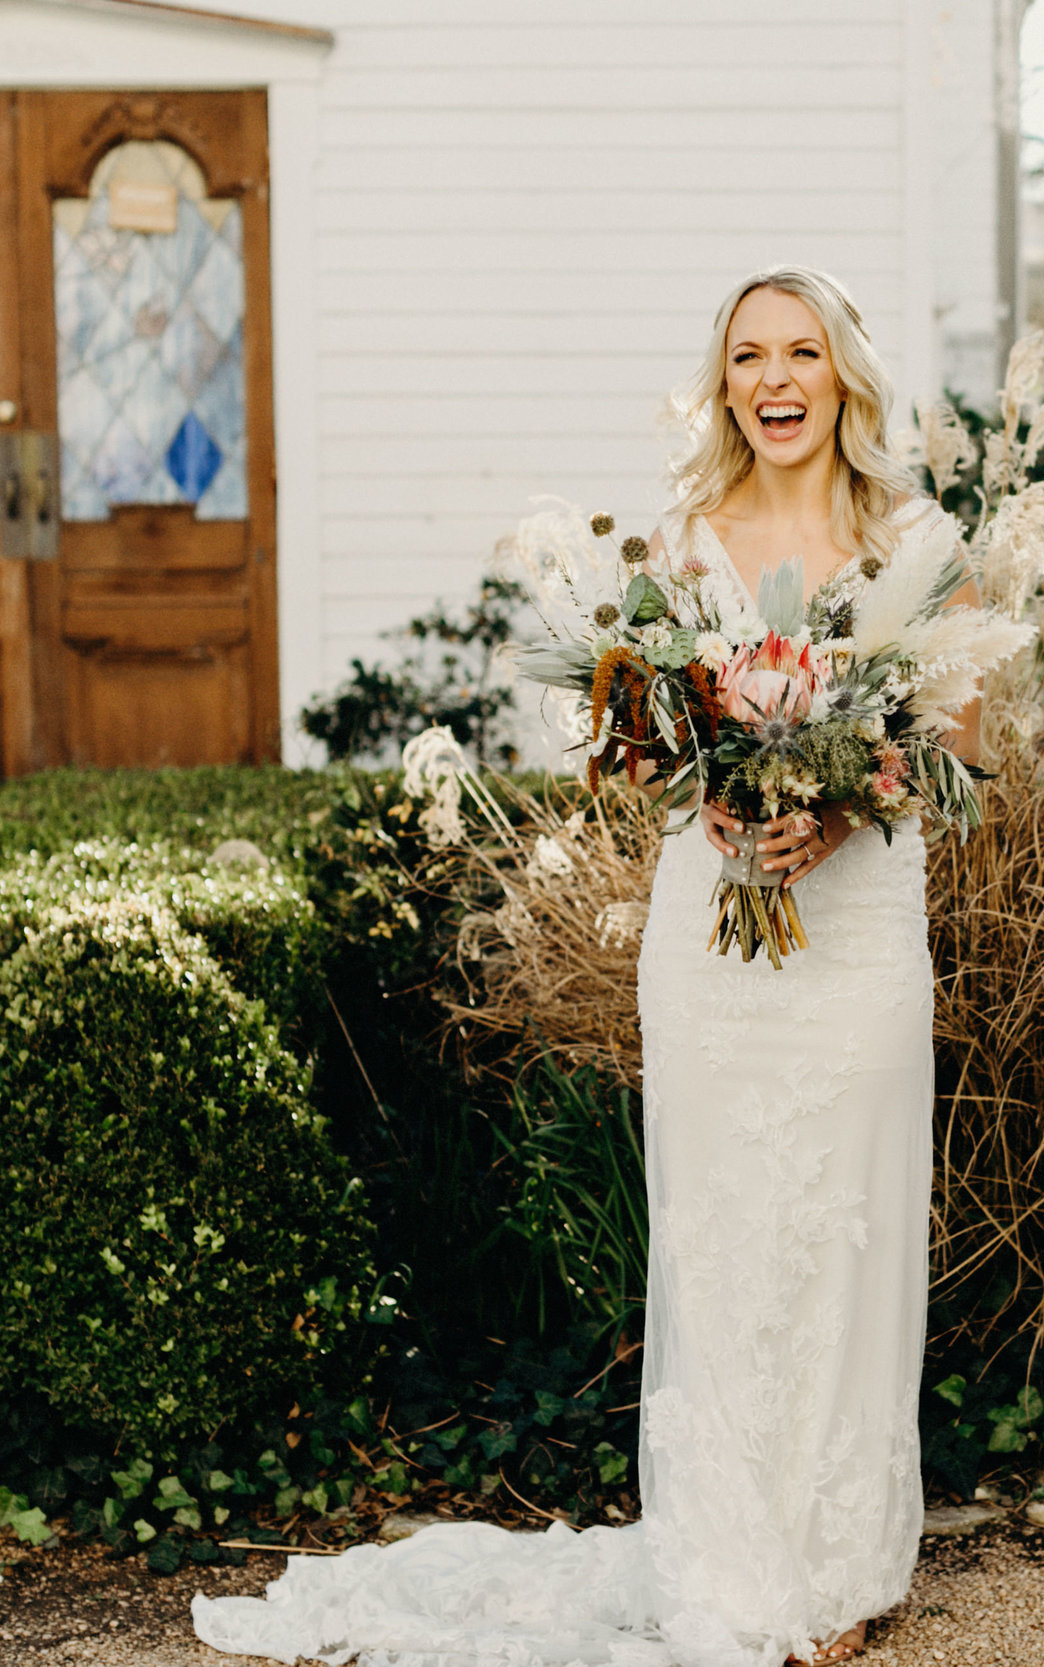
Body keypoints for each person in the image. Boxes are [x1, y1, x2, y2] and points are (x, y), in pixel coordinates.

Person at [192, 265, 964, 1667]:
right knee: (727, 1226)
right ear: (725, 383)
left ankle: (844, 1559)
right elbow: (643, 743)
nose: (776, 380)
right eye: (749, 358)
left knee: (846, 1218)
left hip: (856, 938)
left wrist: (835, 808)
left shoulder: (912, 537)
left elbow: (954, 738)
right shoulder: (682, 543)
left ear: (844, 375)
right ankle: (732, 1556)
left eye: (802, 353)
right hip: (711, 931)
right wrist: (715, 797)